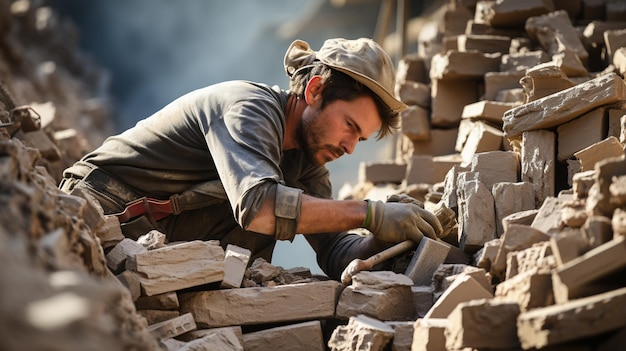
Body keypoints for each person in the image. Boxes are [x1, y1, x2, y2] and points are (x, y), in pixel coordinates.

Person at [59, 37, 442, 281]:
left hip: (158, 250)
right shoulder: (249, 107)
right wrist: (369, 213)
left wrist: (384, 236)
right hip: (98, 210)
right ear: (314, 91)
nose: (351, 147)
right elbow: (258, 207)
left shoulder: (307, 163)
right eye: (349, 126)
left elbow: (336, 252)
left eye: (360, 137)